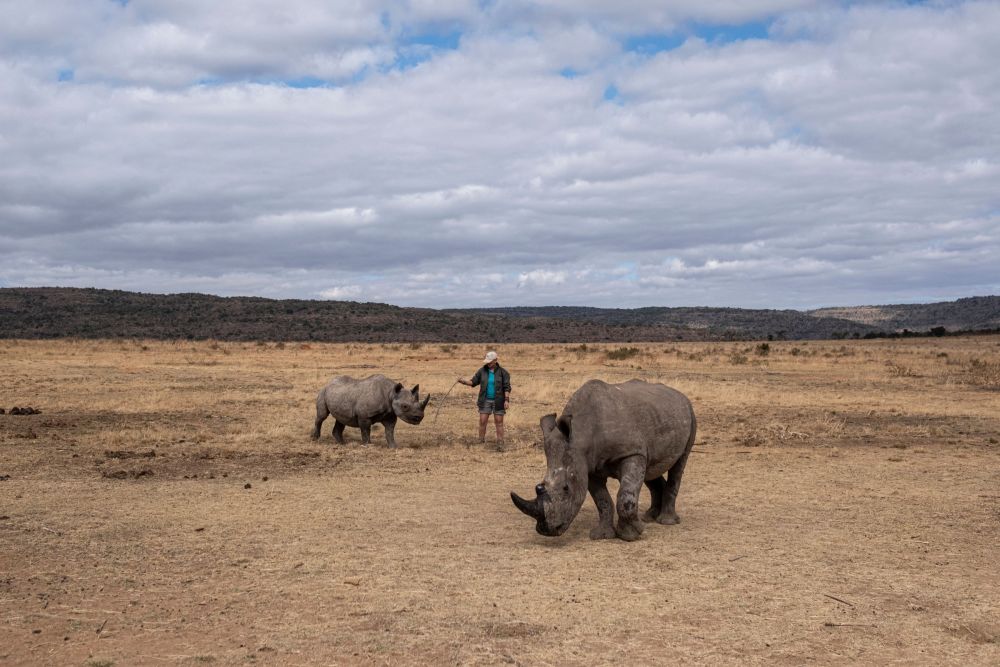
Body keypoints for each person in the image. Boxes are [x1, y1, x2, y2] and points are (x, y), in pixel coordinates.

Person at [457, 350, 511, 451]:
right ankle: (480, 440)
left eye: (490, 361)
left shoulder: (503, 373)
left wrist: (506, 400)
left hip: (499, 401)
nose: (488, 363)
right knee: (482, 421)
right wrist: (463, 381)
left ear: (495, 360)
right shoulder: (482, 371)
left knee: (499, 421)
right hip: (485, 400)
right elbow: (473, 382)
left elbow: (507, 388)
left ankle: (500, 442)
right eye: (487, 361)